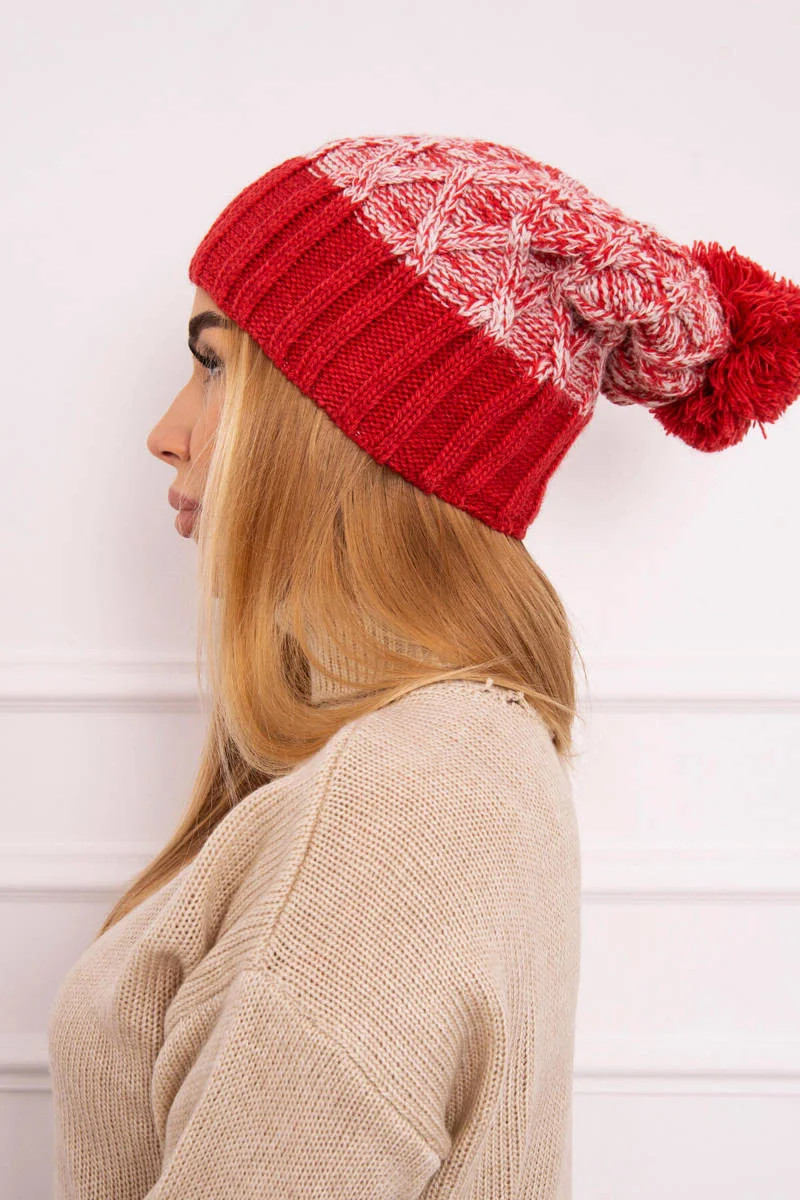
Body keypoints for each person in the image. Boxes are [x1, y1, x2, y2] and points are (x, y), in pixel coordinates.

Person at [46, 133, 800, 1199]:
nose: (167, 433)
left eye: (215, 366)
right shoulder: (452, 752)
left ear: (349, 426)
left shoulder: (397, 803)